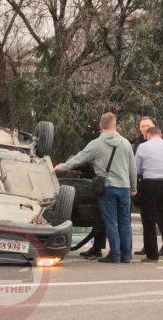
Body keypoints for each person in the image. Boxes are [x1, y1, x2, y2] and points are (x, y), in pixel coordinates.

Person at [53, 112, 137, 263]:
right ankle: (126, 255)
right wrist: (133, 187)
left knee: (111, 222)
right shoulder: (125, 143)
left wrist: (61, 167)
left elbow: (78, 159)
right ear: (115, 124)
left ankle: (115, 254)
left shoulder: (96, 144)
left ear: (100, 125)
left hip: (108, 188)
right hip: (124, 187)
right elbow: (132, 168)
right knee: (124, 222)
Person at [134, 127, 163, 264]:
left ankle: (152, 254)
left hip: (149, 184)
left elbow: (137, 169)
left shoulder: (143, 147)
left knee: (148, 220)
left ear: (148, 135)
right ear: (160, 135)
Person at [132, 116, 156, 256]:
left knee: (161, 219)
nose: (145, 128)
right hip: (143, 183)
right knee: (146, 218)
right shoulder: (138, 142)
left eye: (148, 125)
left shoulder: (161, 141)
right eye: (143, 126)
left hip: (157, 182)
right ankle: (148, 246)